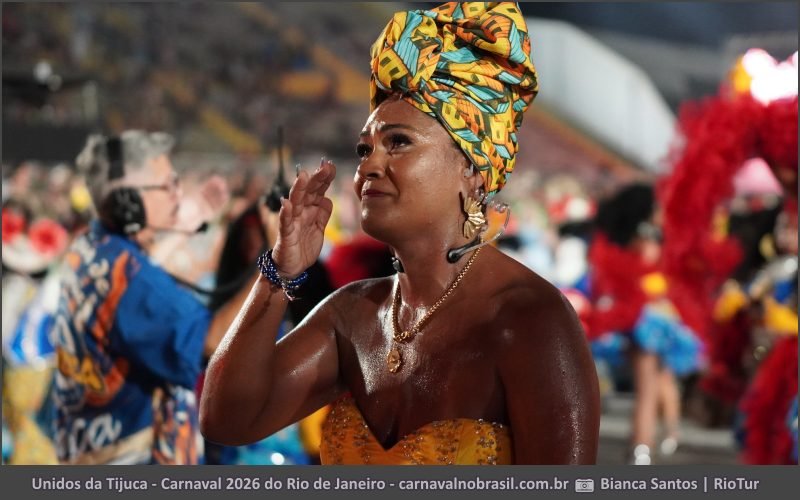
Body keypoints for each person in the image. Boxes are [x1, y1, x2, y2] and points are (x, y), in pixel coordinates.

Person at [201, 2, 600, 465]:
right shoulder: (354, 314)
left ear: (472, 169)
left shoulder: (529, 320)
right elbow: (226, 419)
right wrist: (280, 273)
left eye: (398, 142)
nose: (369, 164)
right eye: (364, 148)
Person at [51, 130, 263, 464]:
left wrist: (184, 223)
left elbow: (135, 279)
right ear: (129, 201)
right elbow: (212, 341)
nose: (178, 194)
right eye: (168, 185)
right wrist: (278, 266)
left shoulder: (88, 251)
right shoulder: (130, 280)